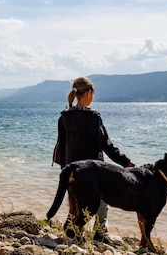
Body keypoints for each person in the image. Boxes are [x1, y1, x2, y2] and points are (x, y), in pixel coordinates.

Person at [52, 76, 135, 242]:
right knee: (102, 199)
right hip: (93, 170)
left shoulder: (64, 117)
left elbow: (61, 145)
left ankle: (72, 232)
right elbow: (106, 145)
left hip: (71, 168)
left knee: (75, 202)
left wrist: (65, 169)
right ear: (89, 93)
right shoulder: (93, 117)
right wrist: (126, 162)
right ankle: (99, 233)